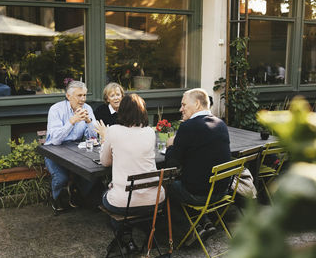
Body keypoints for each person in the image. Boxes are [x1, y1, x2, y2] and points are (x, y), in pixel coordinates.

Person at [96, 94, 165, 253]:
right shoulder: (149, 132)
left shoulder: (113, 131)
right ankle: (147, 233)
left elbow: (105, 162)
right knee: (134, 202)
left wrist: (106, 138)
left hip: (123, 203)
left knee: (104, 193)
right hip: (155, 200)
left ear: (122, 111)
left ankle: (125, 236)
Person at [165, 88, 231, 245]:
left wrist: (170, 145)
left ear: (196, 104)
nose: (180, 109)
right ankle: (206, 222)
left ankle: (190, 230)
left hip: (199, 195)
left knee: (164, 187)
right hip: (221, 191)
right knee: (189, 180)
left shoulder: (188, 127)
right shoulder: (220, 124)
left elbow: (172, 163)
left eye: (183, 105)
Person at [44, 81, 97, 211]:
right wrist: (72, 121)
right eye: (79, 95)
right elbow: (55, 140)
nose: (83, 99)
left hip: (75, 150)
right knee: (61, 178)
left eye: (84, 95)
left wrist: (89, 121)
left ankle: (76, 193)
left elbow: (94, 137)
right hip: (54, 150)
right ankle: (55, 198)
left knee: (92, 174)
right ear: (68, 96)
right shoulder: (56, 109)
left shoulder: (87, 108)